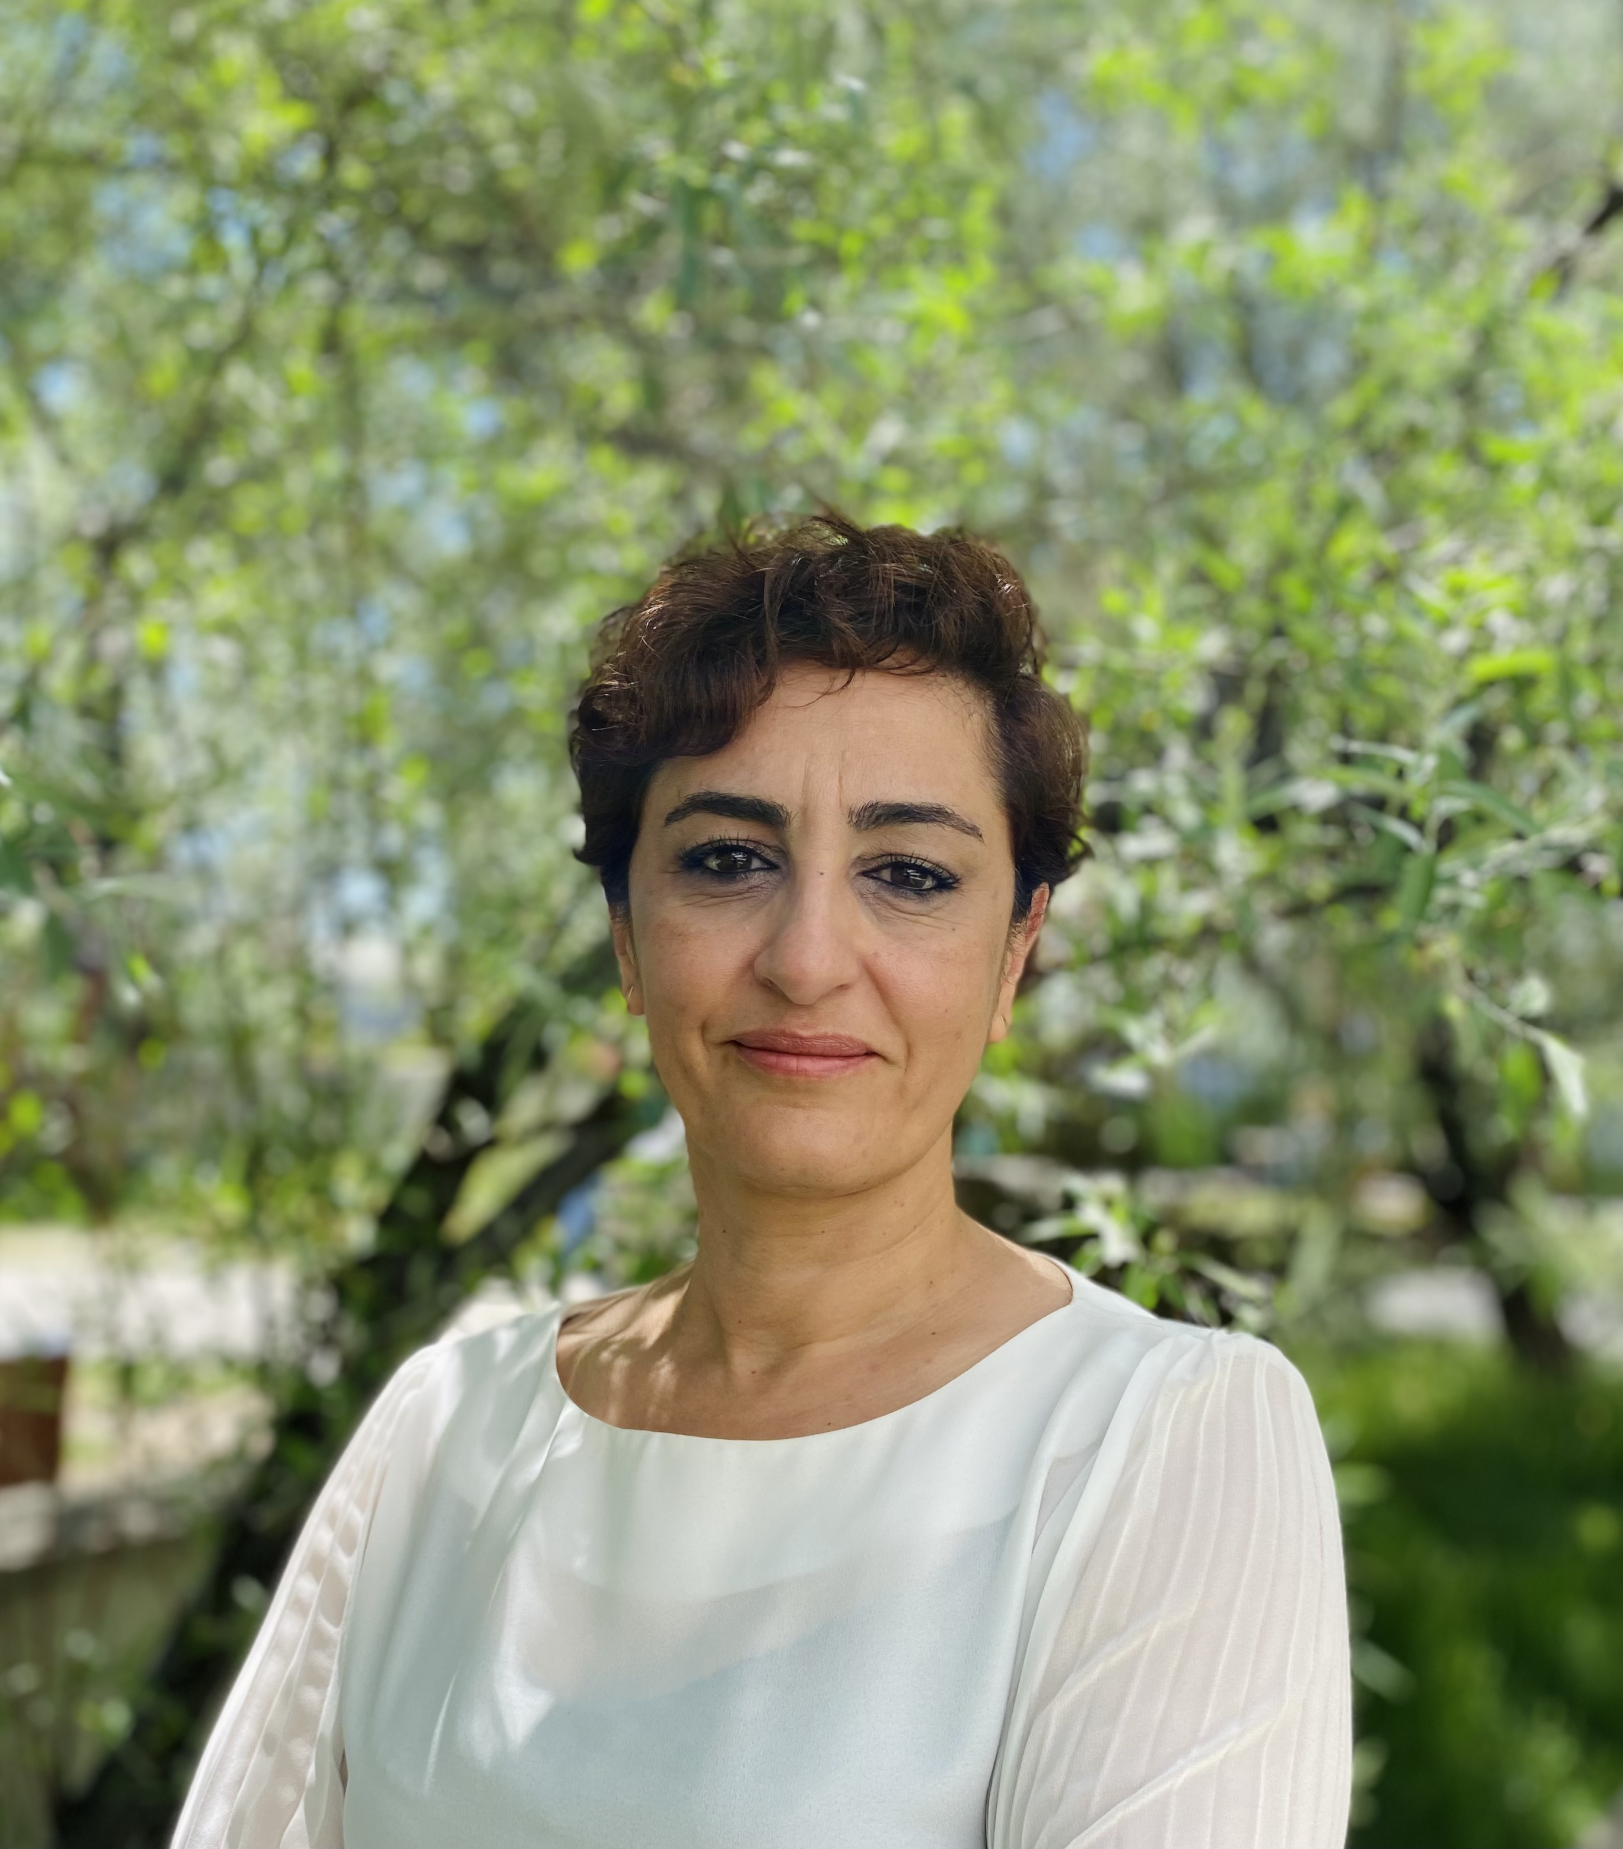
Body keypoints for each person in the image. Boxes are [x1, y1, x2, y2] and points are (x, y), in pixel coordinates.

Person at [174, 515, 1352, 1849]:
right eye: (727, 859)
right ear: (629, 938)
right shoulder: (443, 1435)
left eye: (908, 874)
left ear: (1015, 952)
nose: (807, 958)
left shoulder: (1158, 1443)